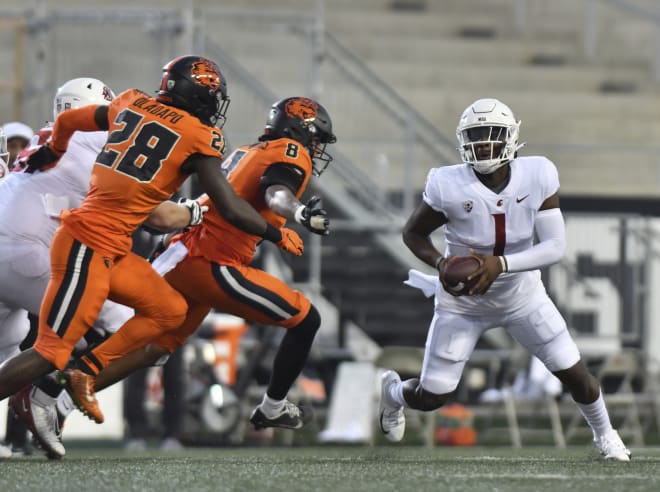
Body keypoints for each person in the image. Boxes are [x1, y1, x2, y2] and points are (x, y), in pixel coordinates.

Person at [0, 55, 304, 438]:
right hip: (78, 243)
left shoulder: (128, 103)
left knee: (169, 310)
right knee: (54, 347)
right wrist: (268, 231)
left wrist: (54, 151)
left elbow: (66, 124)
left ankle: (67, 385)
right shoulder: (195, 135)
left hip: (84, 245)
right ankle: (49, 397)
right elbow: (190, 211)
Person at [378, 98, 631, 461]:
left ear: (510, 137)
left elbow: (555, 247)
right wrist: (441, 264)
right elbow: (413, 234)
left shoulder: (538, 174)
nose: (482, 143)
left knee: (576, 374)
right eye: (475, 135)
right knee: (432, 396)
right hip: (462, 304)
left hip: (521, 298)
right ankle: (393, 393)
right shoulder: (447, 183)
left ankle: (607, 437)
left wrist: (501, 264)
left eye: (490, 134)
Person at [0, 76, 209, 459]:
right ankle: (50, 399)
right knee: (119, 331)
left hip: (14, 251)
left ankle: (39, 412)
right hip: (27, 252)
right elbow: (159, 216)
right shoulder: (101, 139)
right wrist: (198, 210)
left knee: (15, 350)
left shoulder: (47, 136)